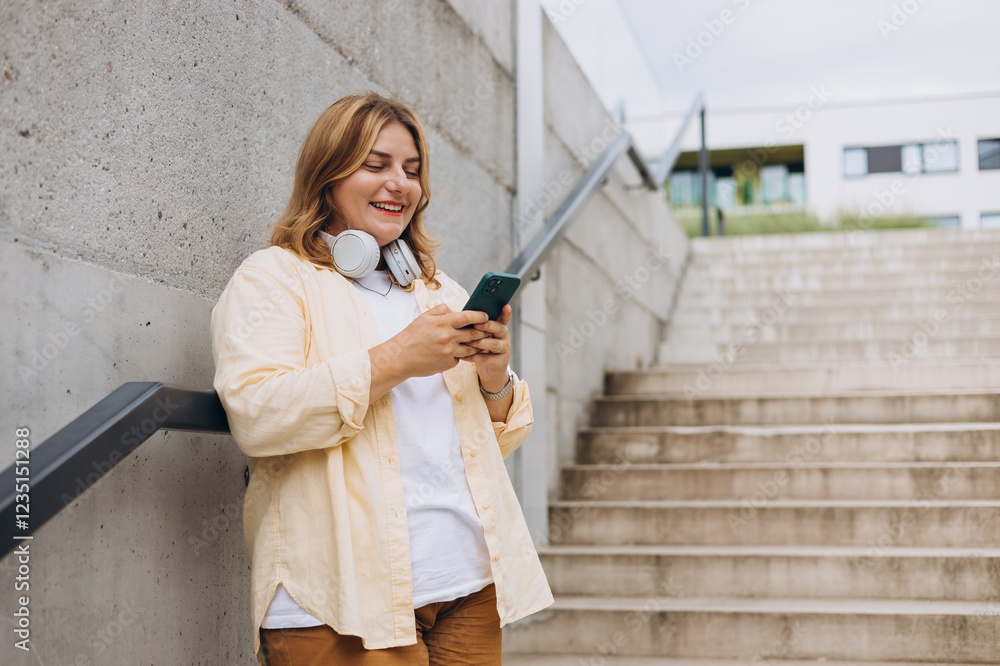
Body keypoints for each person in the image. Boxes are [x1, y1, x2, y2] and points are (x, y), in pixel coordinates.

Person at [210, 92, 553, 666]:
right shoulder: (273, 278)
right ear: (327, 174)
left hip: (467, 584)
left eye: (412, 170)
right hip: (342, 602)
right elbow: (256, 413)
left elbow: (488, 442)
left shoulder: (438, 289)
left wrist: (494, 380)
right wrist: (396, 358)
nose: (400, 183)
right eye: (376, 165)